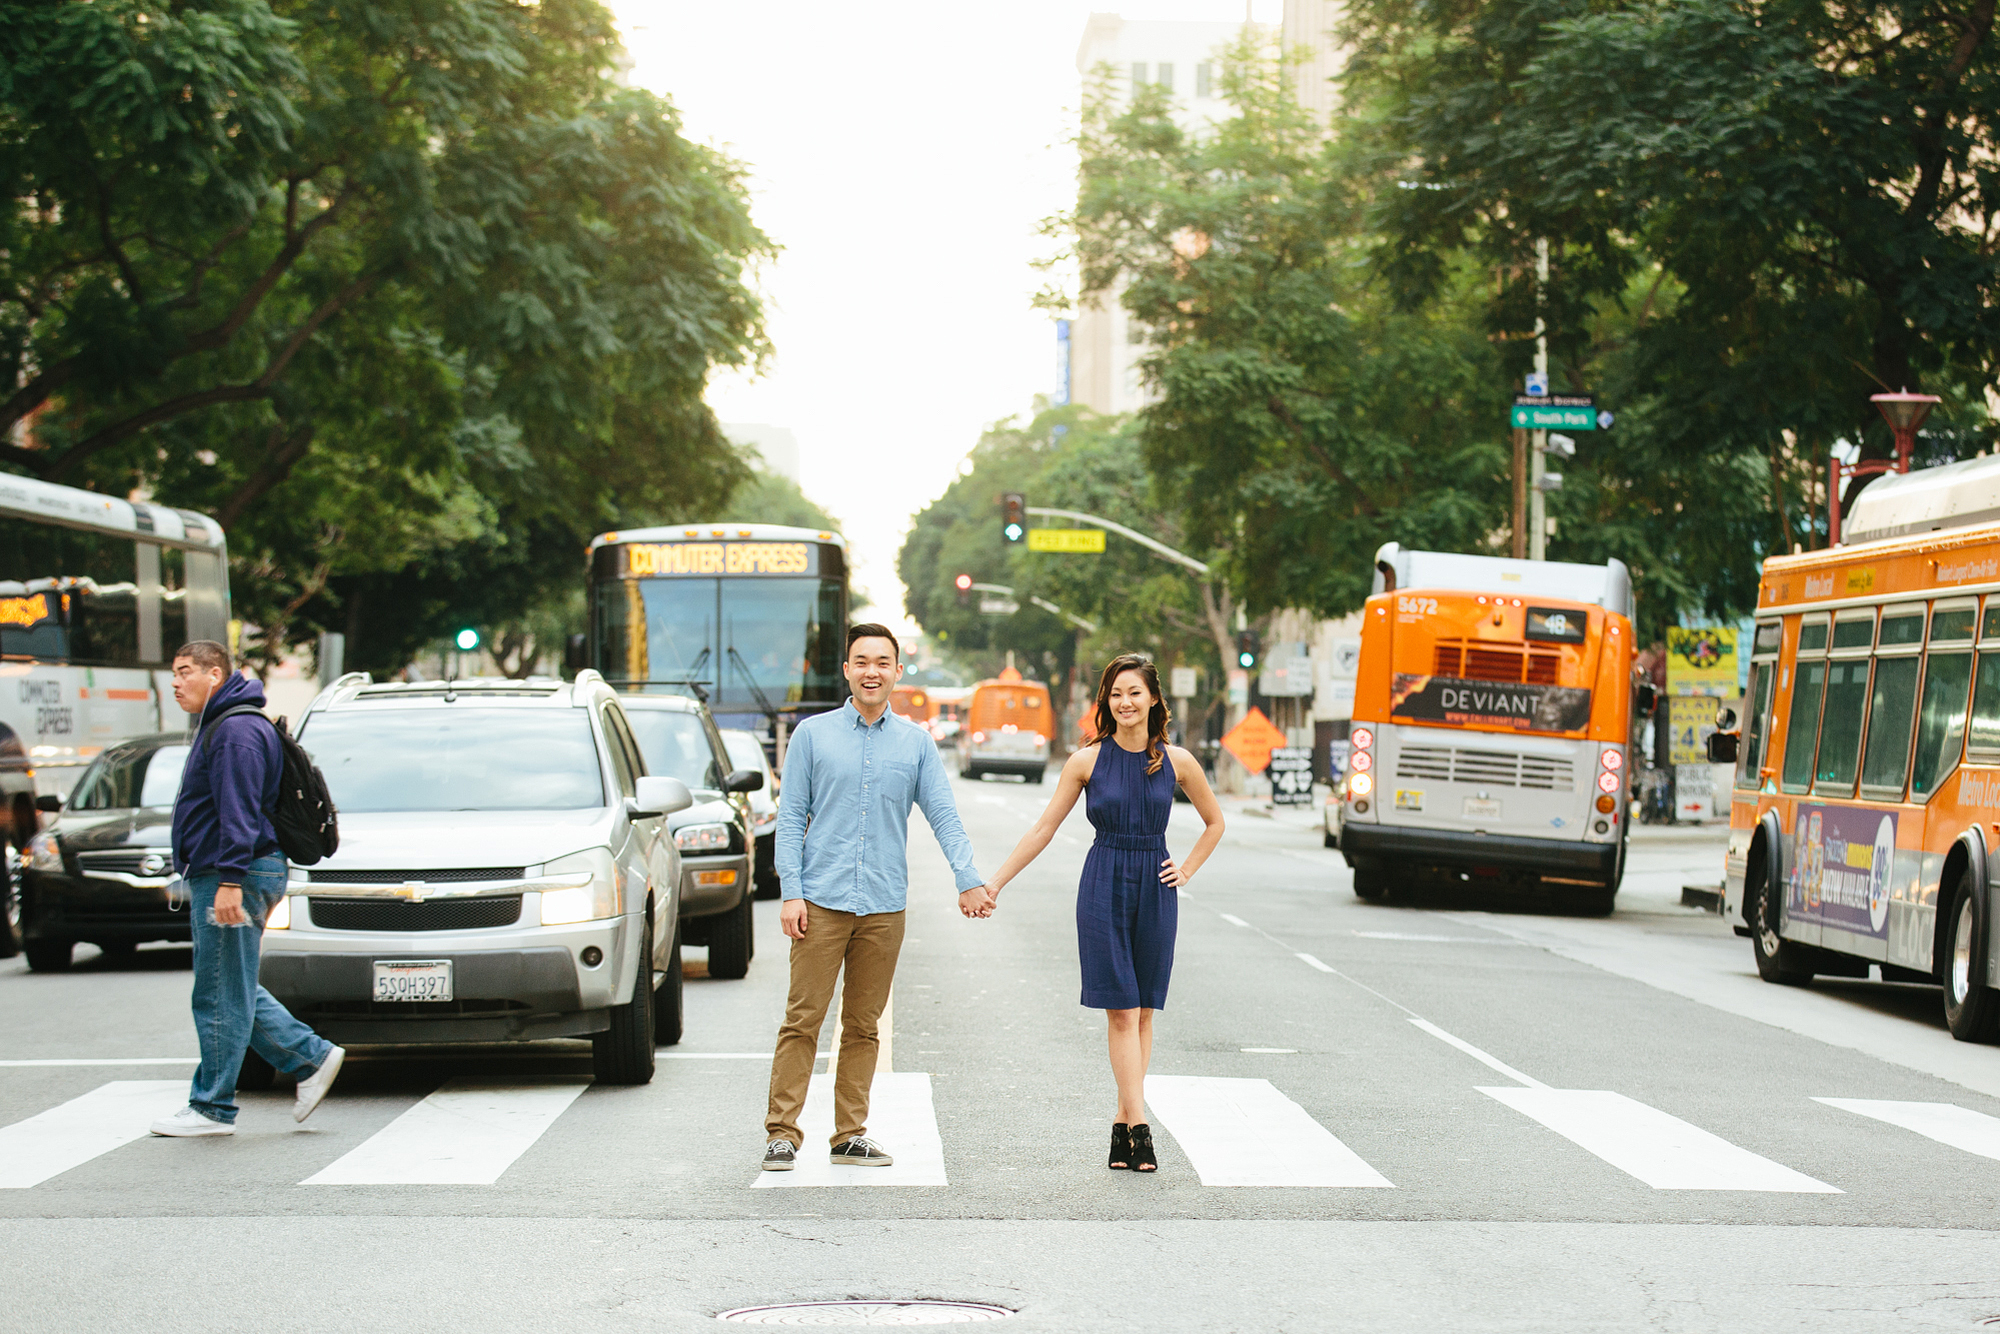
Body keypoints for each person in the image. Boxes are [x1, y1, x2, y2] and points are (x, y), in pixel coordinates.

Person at [762, 624, 992, 1171]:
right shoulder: (812, 736)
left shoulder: (914, 743)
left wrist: (969, 878)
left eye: (882, 662)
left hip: (885, 906)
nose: (872, 671)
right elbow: (790, 818)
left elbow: (942, 815)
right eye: (861, 661)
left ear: (896, 672)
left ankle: (848, 1134)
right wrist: (791, 892)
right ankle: (782, 1132)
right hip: (819, 900)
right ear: (846, 670)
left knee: (863, 1026)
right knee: (804, 1019)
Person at [984, 654, 1224, 1172]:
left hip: (1155, 886)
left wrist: (1186, 870)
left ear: (1154, 699)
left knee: (1143, 1011)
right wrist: (996, 883)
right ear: (1106, 702)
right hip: (1103, 883)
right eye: (1116, 694)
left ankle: (1121, 1123)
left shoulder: (1178, 760)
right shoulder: (1086, 761)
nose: (1125, 702)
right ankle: (1140, 1127)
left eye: (1135, 692)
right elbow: (1044, 828)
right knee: (1120, 1009)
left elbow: (1214, 822)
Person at [149, 641, 344, 1137]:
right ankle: (312, 1057)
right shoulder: (229, 723)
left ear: (215, 675)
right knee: (230, 985)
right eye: (174, 672)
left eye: (184, 671)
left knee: (218, 993)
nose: (175, 681)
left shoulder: (235, 730)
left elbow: (238, 813)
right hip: (231, 869)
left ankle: (212, 1107)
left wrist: (230, 880)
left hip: (234, 872)